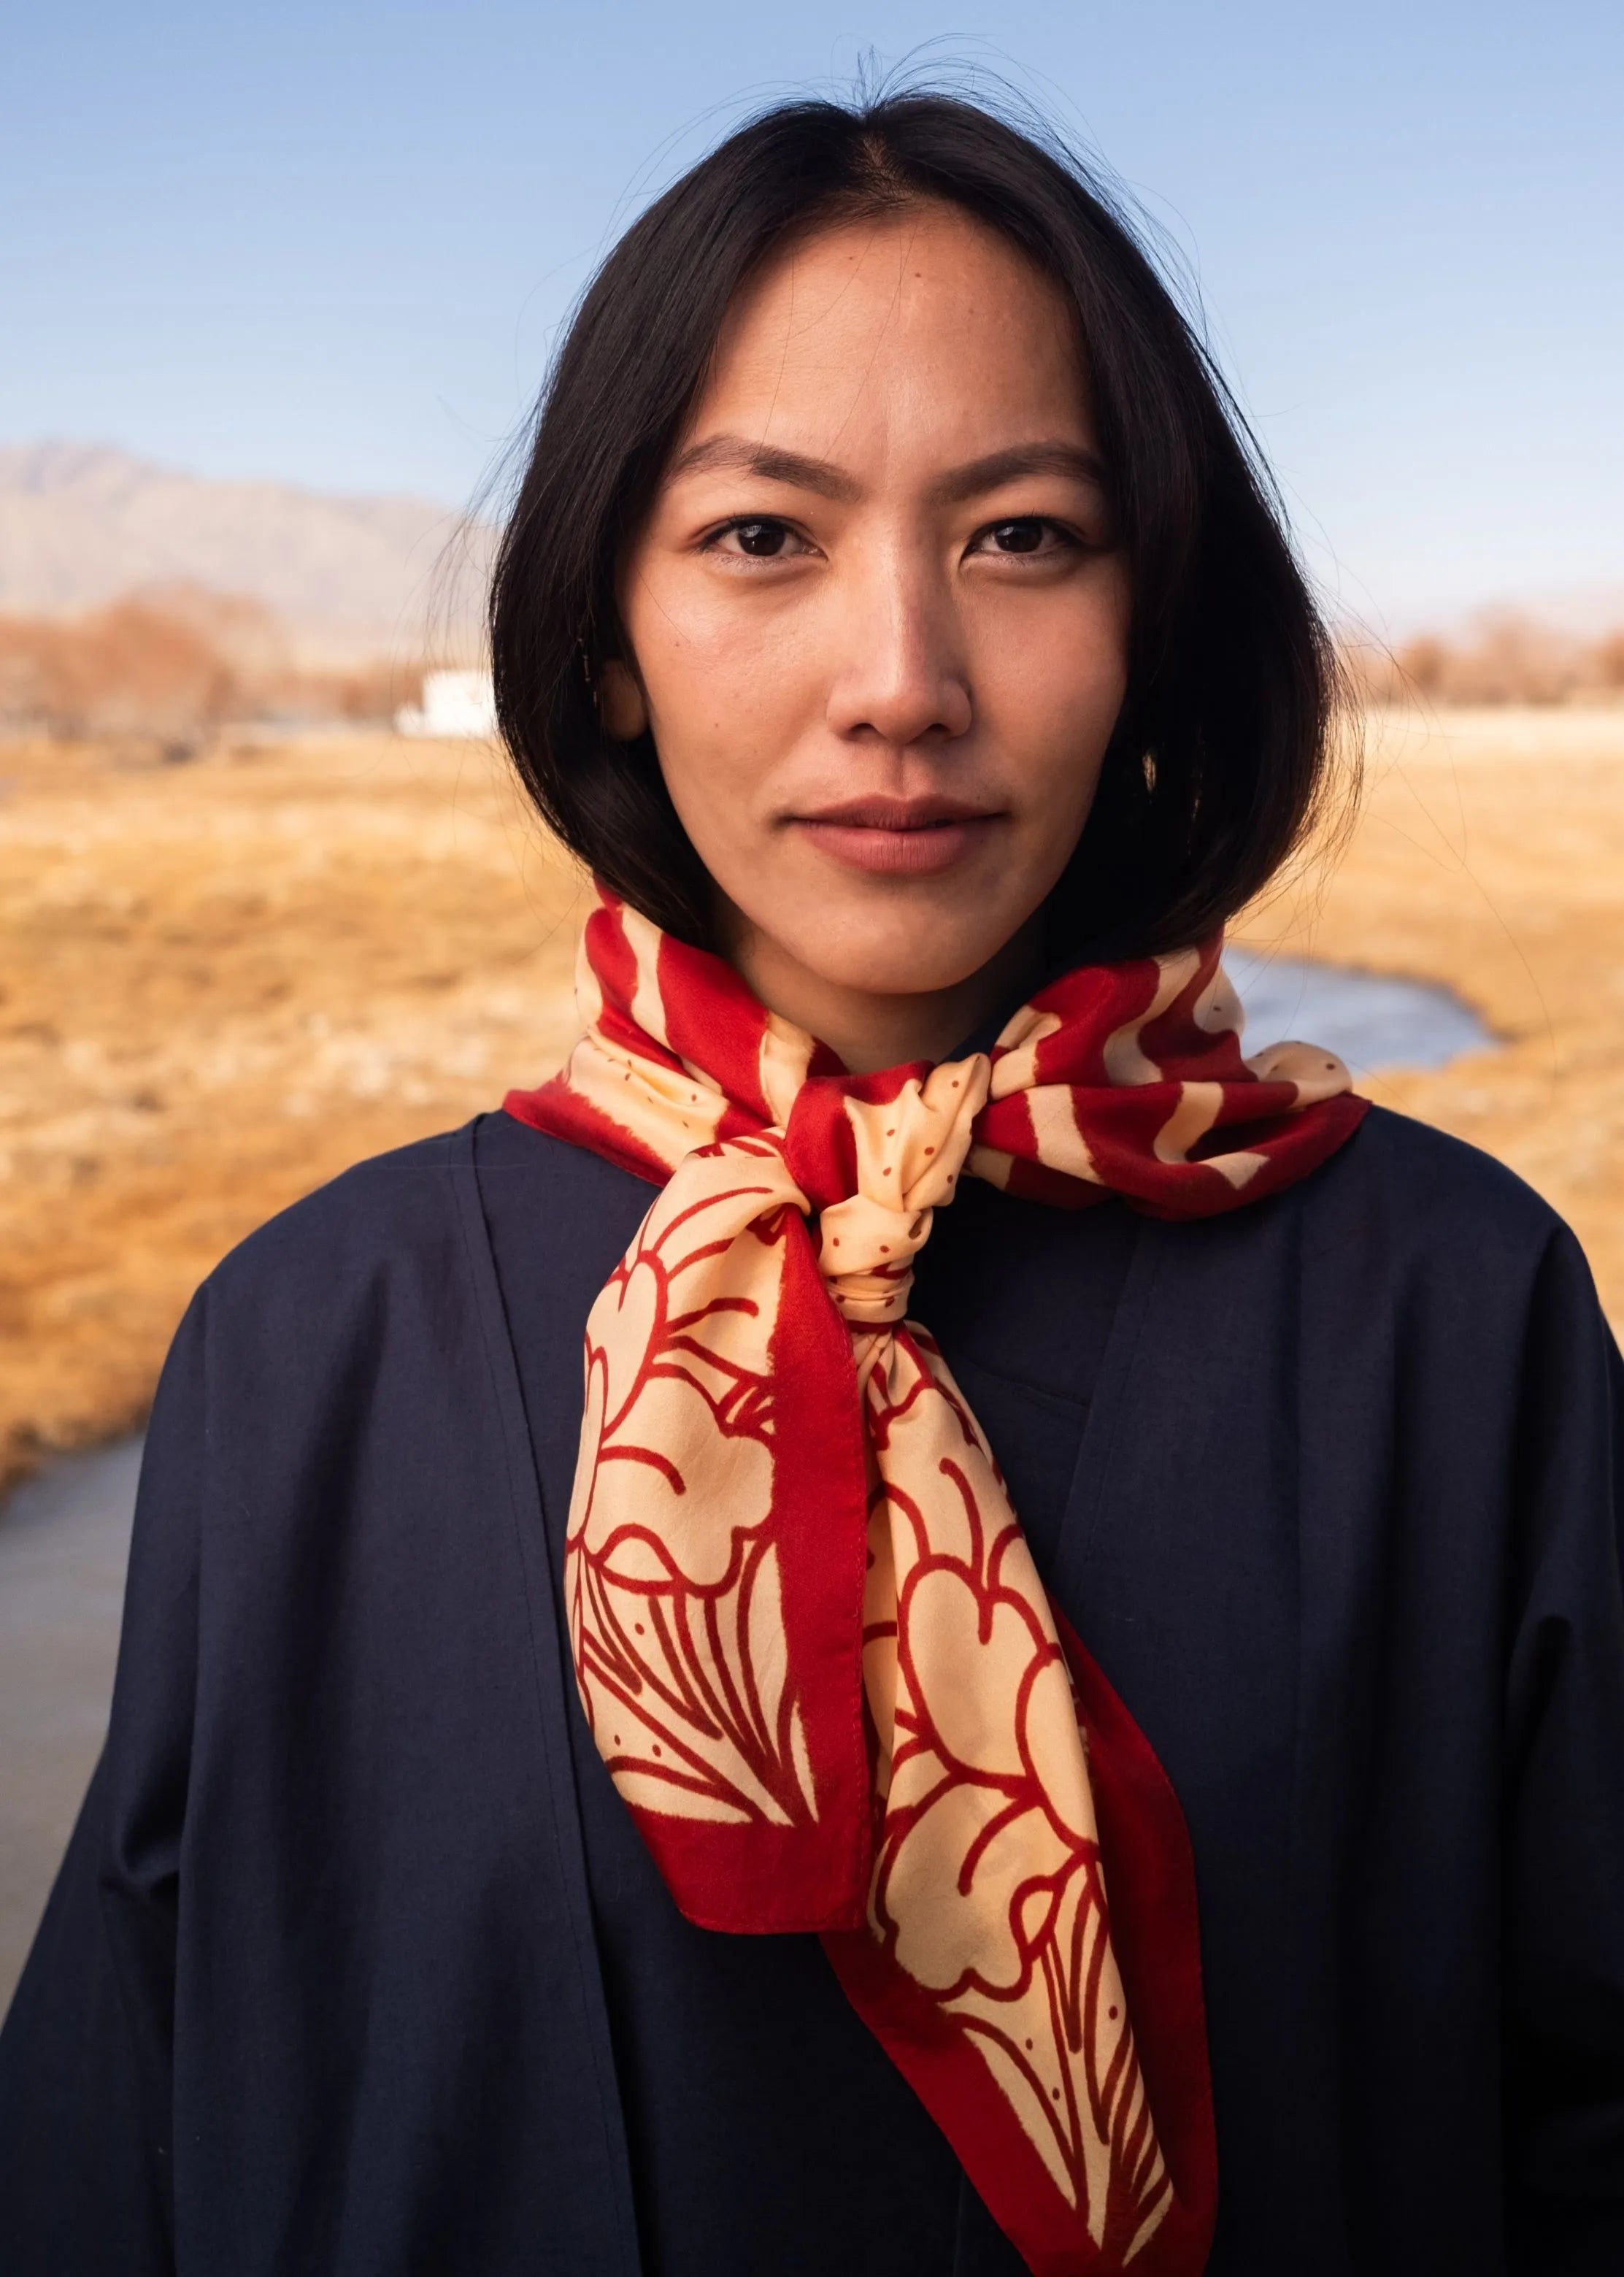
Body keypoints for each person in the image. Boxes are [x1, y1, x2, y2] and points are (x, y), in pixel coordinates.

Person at [2, 88, 1621, 2277]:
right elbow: (122, 2145)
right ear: (603, 630)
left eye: (1021, 536)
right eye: (762, 538)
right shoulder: (319, 1341)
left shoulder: (1447, 1319)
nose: (899, 687)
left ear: (1153, 619)